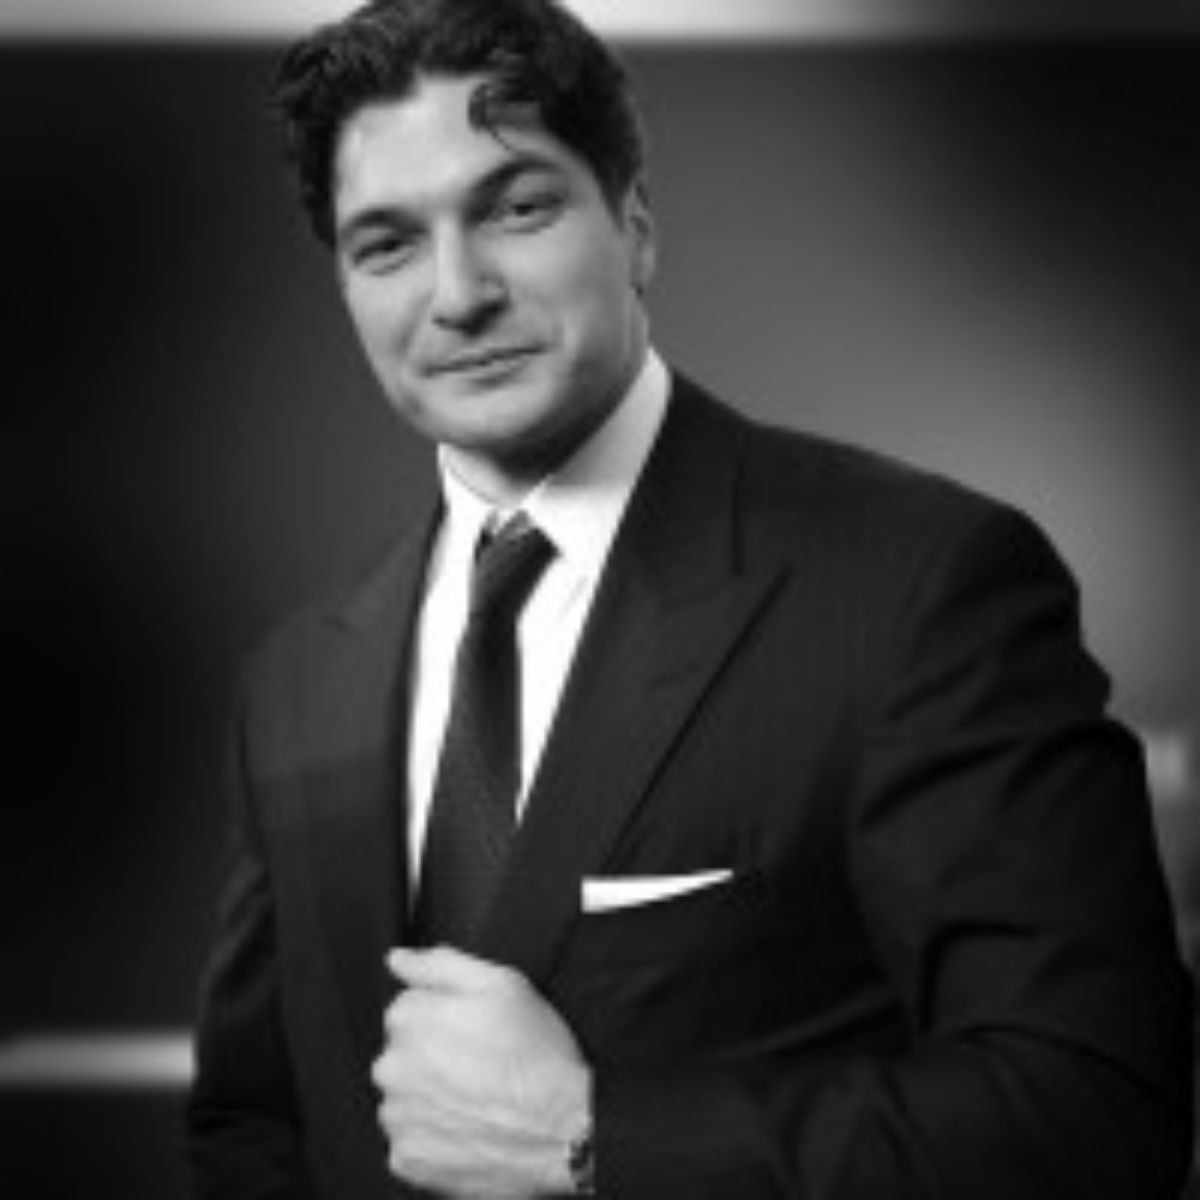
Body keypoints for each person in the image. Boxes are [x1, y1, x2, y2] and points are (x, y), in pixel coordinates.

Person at [186, 0, 1194, 1196]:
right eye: (387, 243)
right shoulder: (298, 682)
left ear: (637, 228)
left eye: (516, 208)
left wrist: (595, 1138)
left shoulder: (920, 585)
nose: (456, 293)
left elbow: (1094, 1114)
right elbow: (256, 1129)